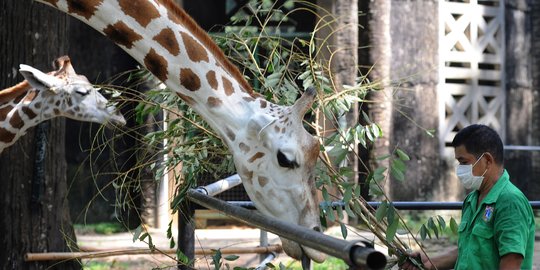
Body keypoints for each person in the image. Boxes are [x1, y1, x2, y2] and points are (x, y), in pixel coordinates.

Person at [400, 124, 535, 270]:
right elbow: (468, 250)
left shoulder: (510, 202)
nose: (460, 169)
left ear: (487, 160)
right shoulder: (472, 200)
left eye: (464, 162)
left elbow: (511, 263)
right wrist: (429, 262)